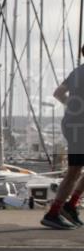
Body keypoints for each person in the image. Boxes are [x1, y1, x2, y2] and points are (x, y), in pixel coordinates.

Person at [41, 46, 84, 230]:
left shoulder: (77, 72)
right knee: (74, 171)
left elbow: (58, 93)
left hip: (72, 123)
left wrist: (72, 106)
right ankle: (53, 213)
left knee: (76, 170)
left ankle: (70, 206)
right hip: (80, 128)